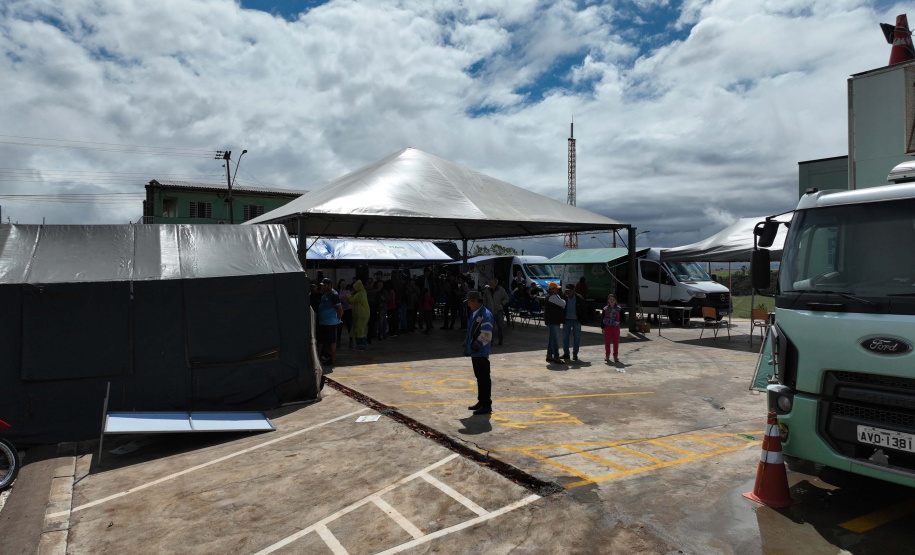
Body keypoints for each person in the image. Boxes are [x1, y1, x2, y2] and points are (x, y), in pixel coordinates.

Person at [463, 291, 494, 415]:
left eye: (470, 302)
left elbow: (487, 335)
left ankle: (486, 405)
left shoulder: (485, 315)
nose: (468, 304)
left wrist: (475, 346)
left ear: (476, 301)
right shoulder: (475, 313)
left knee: (484, 379)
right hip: (475, 351)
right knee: (480, 378)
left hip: (480, 352)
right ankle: (481, 402)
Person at [316, 278, 343, 368]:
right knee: (320, 341)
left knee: (332, 341)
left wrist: (338, 319)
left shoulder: (334, 294)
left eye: (324, 285)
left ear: (330, 285)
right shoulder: (324, 294)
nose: (323, 287)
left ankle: (332, 359)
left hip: (331, 323)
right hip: (322, 322)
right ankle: (318, 358)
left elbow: (340, 309)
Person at [562, 283, 587, 361]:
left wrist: (582, 319)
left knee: (577, 338)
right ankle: (566, 354)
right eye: (567, 291)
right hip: (566, 320)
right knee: (565, 338)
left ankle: (575, 354)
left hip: (576, 321)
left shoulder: (579, 298)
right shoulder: (564, 298)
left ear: (573, 290)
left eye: (569, 291)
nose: (568, 292)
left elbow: (583, 310)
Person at [483, 278, 510, 345]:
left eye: (492, 283)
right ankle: (491, 341)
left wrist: (502, 304)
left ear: (496, 283)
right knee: (490, 327)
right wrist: (486, 305)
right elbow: (484, 299)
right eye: (490, 283)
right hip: (490, 311)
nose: (490, 284)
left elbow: (506, 298)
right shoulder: (487, 290)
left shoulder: (501, 290)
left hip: (499, 311)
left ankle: (500, 340)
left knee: (500, 327)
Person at [544, 282, 566, 364]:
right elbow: (563, 303)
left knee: (552, 339)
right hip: (553, 321)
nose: (558, 290)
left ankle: (549, 356)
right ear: (552, 289)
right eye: (556, 289)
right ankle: (556, 357)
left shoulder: (553, 296)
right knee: (555, 340)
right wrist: (562, 301)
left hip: (553, 320)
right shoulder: (552, 297)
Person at [601, 294, 622, 363]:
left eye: (613, 299)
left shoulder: (619, 309)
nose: (612, 301)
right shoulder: (605, 309)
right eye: (610, 299)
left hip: (616, 327)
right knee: (607, 342)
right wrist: (603, 328)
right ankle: (607, 355)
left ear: (615, 301)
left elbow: (622, 318)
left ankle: (615, 356)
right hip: (607, 327)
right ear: (608, 300)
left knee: (616, 342)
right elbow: (602, 319)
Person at [350, 280, 370, 351]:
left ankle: (360, 346)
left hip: (361, 315)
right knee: (362, 330)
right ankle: (362, 345)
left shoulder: (359, 294)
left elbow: (352, 300)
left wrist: (349, 294)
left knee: (359, 330)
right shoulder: (363, 293)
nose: (354, 289)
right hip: (364, 314)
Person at [337, 279, 354, 347]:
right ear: (339, 284)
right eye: (342, 284)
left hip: (348, 310)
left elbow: (350, 299)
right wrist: (343, 302)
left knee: (349, 325)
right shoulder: (338, 291)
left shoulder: (348, 291)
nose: (343, 285)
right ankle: (338, 340)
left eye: (344, 284)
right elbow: (337, 299)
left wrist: (347, 302)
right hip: (341, 310)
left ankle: (351, 339)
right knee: (340, 326)